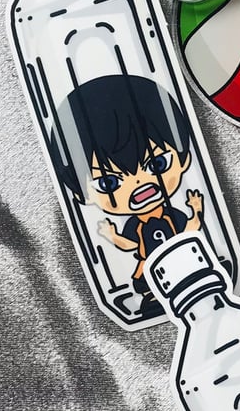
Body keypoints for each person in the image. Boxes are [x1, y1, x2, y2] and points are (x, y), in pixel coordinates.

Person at [51, 74, 203, 317]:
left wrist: (196, 209)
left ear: (184, 158)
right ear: (83, 195)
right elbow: (130, 244)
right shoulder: (136, 226)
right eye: (109, 183)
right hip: (150, 268)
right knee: (147, 280)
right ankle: (152, 297)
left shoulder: (171, 215)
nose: (139, 183)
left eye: (157, 164)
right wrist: (111, 235)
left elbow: (190, 227)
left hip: (183, 262)